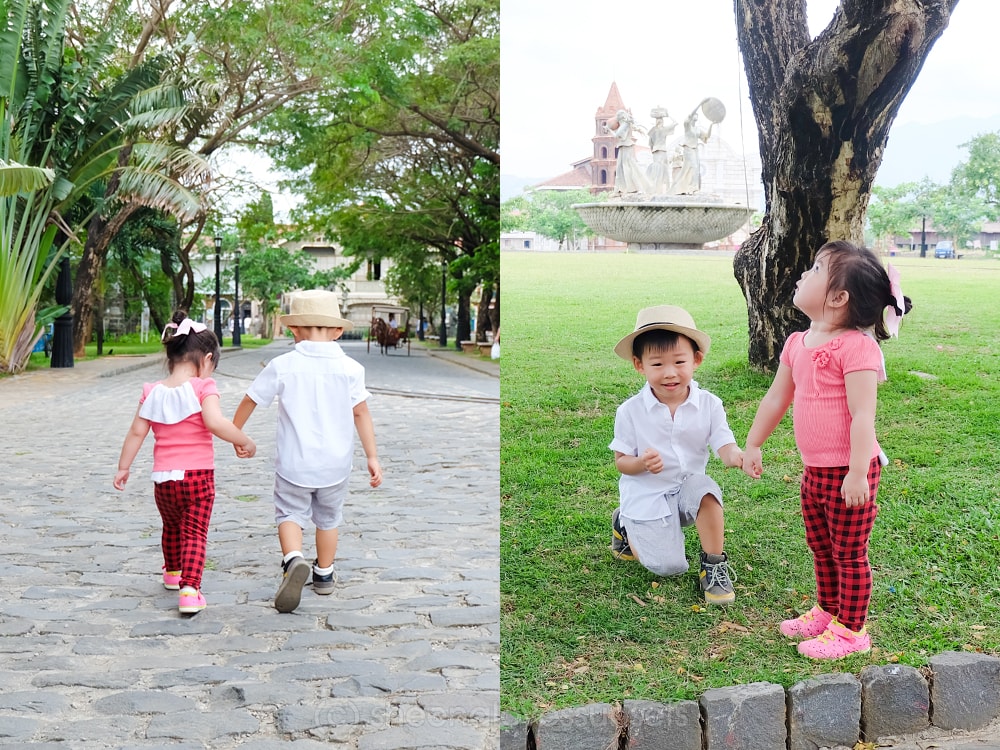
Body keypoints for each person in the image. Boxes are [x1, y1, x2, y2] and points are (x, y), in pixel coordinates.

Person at [742, 240, 909, 659]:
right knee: (821, 546)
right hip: (814, 471)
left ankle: (852, 631)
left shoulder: (857, 348)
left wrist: (857, 472)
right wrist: (754, 442)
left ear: (838, 298)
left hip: (851, 471)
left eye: (815, 269)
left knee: (849, 554)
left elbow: (862, 415)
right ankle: (828, 609)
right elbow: (776, 398)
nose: (803, 273)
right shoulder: (797, 342)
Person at [233, 289, 383, 613]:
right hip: (335, 466)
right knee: (329, 519)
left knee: (289, 513)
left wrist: (236, 433)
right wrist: (372, 456)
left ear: (293, 329)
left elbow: (251, 399)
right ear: (339, 330)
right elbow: (361, 414)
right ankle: (324, 575)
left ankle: (293, 559)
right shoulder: (351, 369)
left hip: (293, 465)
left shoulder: (282, 364)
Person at [113, 311, 256, 616]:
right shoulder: (204, 388)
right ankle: (189, 589)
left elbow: (137, 431)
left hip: (163, 480)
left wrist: (124, 467)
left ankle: (172, 573)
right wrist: (242, 439)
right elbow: (215, 422)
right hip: (197, 477)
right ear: (206, 360)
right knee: (194, 533)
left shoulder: (151, 391)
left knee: (172, 527)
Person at [609, 305, 744, 605]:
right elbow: (621, 462)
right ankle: (625, 524)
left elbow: (724, 443)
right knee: (668, 567)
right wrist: (641, 463)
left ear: (696, 360)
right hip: (647, 497)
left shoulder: (709, 404)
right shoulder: (629, 412)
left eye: (679, 361)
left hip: (685, 490)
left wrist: (737, 456)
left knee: (705, 488)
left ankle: (714, 565)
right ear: (639, 365)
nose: (670, 373)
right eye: (657, 364)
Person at [646, 106, 677, 194]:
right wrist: (668, 115)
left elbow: (650, 144)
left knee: (656, 170)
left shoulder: (652, 130)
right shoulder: (664, 129)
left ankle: (656, 189)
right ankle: (664, 189)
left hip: (655, 152)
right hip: (662, 151)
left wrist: (653, 149)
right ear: (662, 121)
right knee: (663, 170)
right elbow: (675, 122)